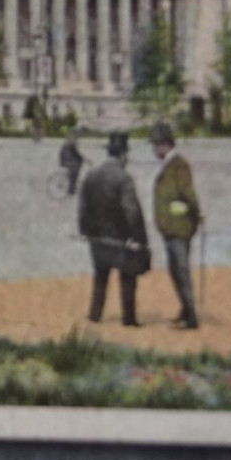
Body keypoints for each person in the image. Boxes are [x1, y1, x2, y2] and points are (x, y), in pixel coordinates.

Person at [77, 132, 149, 326]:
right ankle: (129, 318)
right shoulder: (124, 178)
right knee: (127, 277)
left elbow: (83, 206)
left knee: (100, 276)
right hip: (120, 239)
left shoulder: (91, 175)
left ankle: (95, 313)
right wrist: (138, 238)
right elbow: (131, 211)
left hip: (97, 238)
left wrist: (84, 231)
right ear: (124, 155)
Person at [150, 121, 202, 329]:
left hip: (178, 230)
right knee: (175, 271)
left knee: (181, 271)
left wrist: (194, 219)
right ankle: (185, 309)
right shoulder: (170, 164)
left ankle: (191, 317)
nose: (153, 150)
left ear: (165, 145)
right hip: (171, 230)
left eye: (155, 145)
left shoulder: (179, 165)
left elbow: (188, 196)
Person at [58, 127, 85, 195]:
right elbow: (73, 150)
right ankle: (71, 189)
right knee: (74, 171)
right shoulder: (73, 138)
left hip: (67, 155)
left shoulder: (73, 137)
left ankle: (72, 187)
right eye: (81, 133)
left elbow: (74, 151)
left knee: (77, 167)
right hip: (66, 157)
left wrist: (81, 158)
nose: (81, 135)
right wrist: (81, 157)